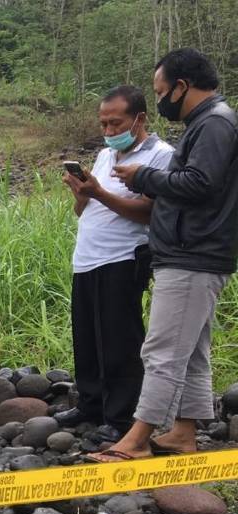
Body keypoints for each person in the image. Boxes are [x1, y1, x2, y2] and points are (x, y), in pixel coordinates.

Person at [87, 49, 238, 462]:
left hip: (193, 255)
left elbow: (200, 183)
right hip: (196, 251)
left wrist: (145, 177)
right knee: (191, 350)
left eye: (160, 92)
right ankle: (183, 433)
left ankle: (136, 439)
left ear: (181, 87)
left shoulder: (214, 124)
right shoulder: (207, 123)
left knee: (162, 349)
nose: (159, 101)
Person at [57, 86, 174, 444]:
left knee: (119, 339)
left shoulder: (161, 155)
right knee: (87, 337)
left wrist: (99, 194)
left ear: (139, 119)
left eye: (115, 123)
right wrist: (82, 194)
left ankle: (121, 415)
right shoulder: (106, 155)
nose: (108, 131)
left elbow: (149, 212)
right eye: (103, 123)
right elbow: (85, 210)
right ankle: (90, 404)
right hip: (88, 256)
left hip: (125, 257)